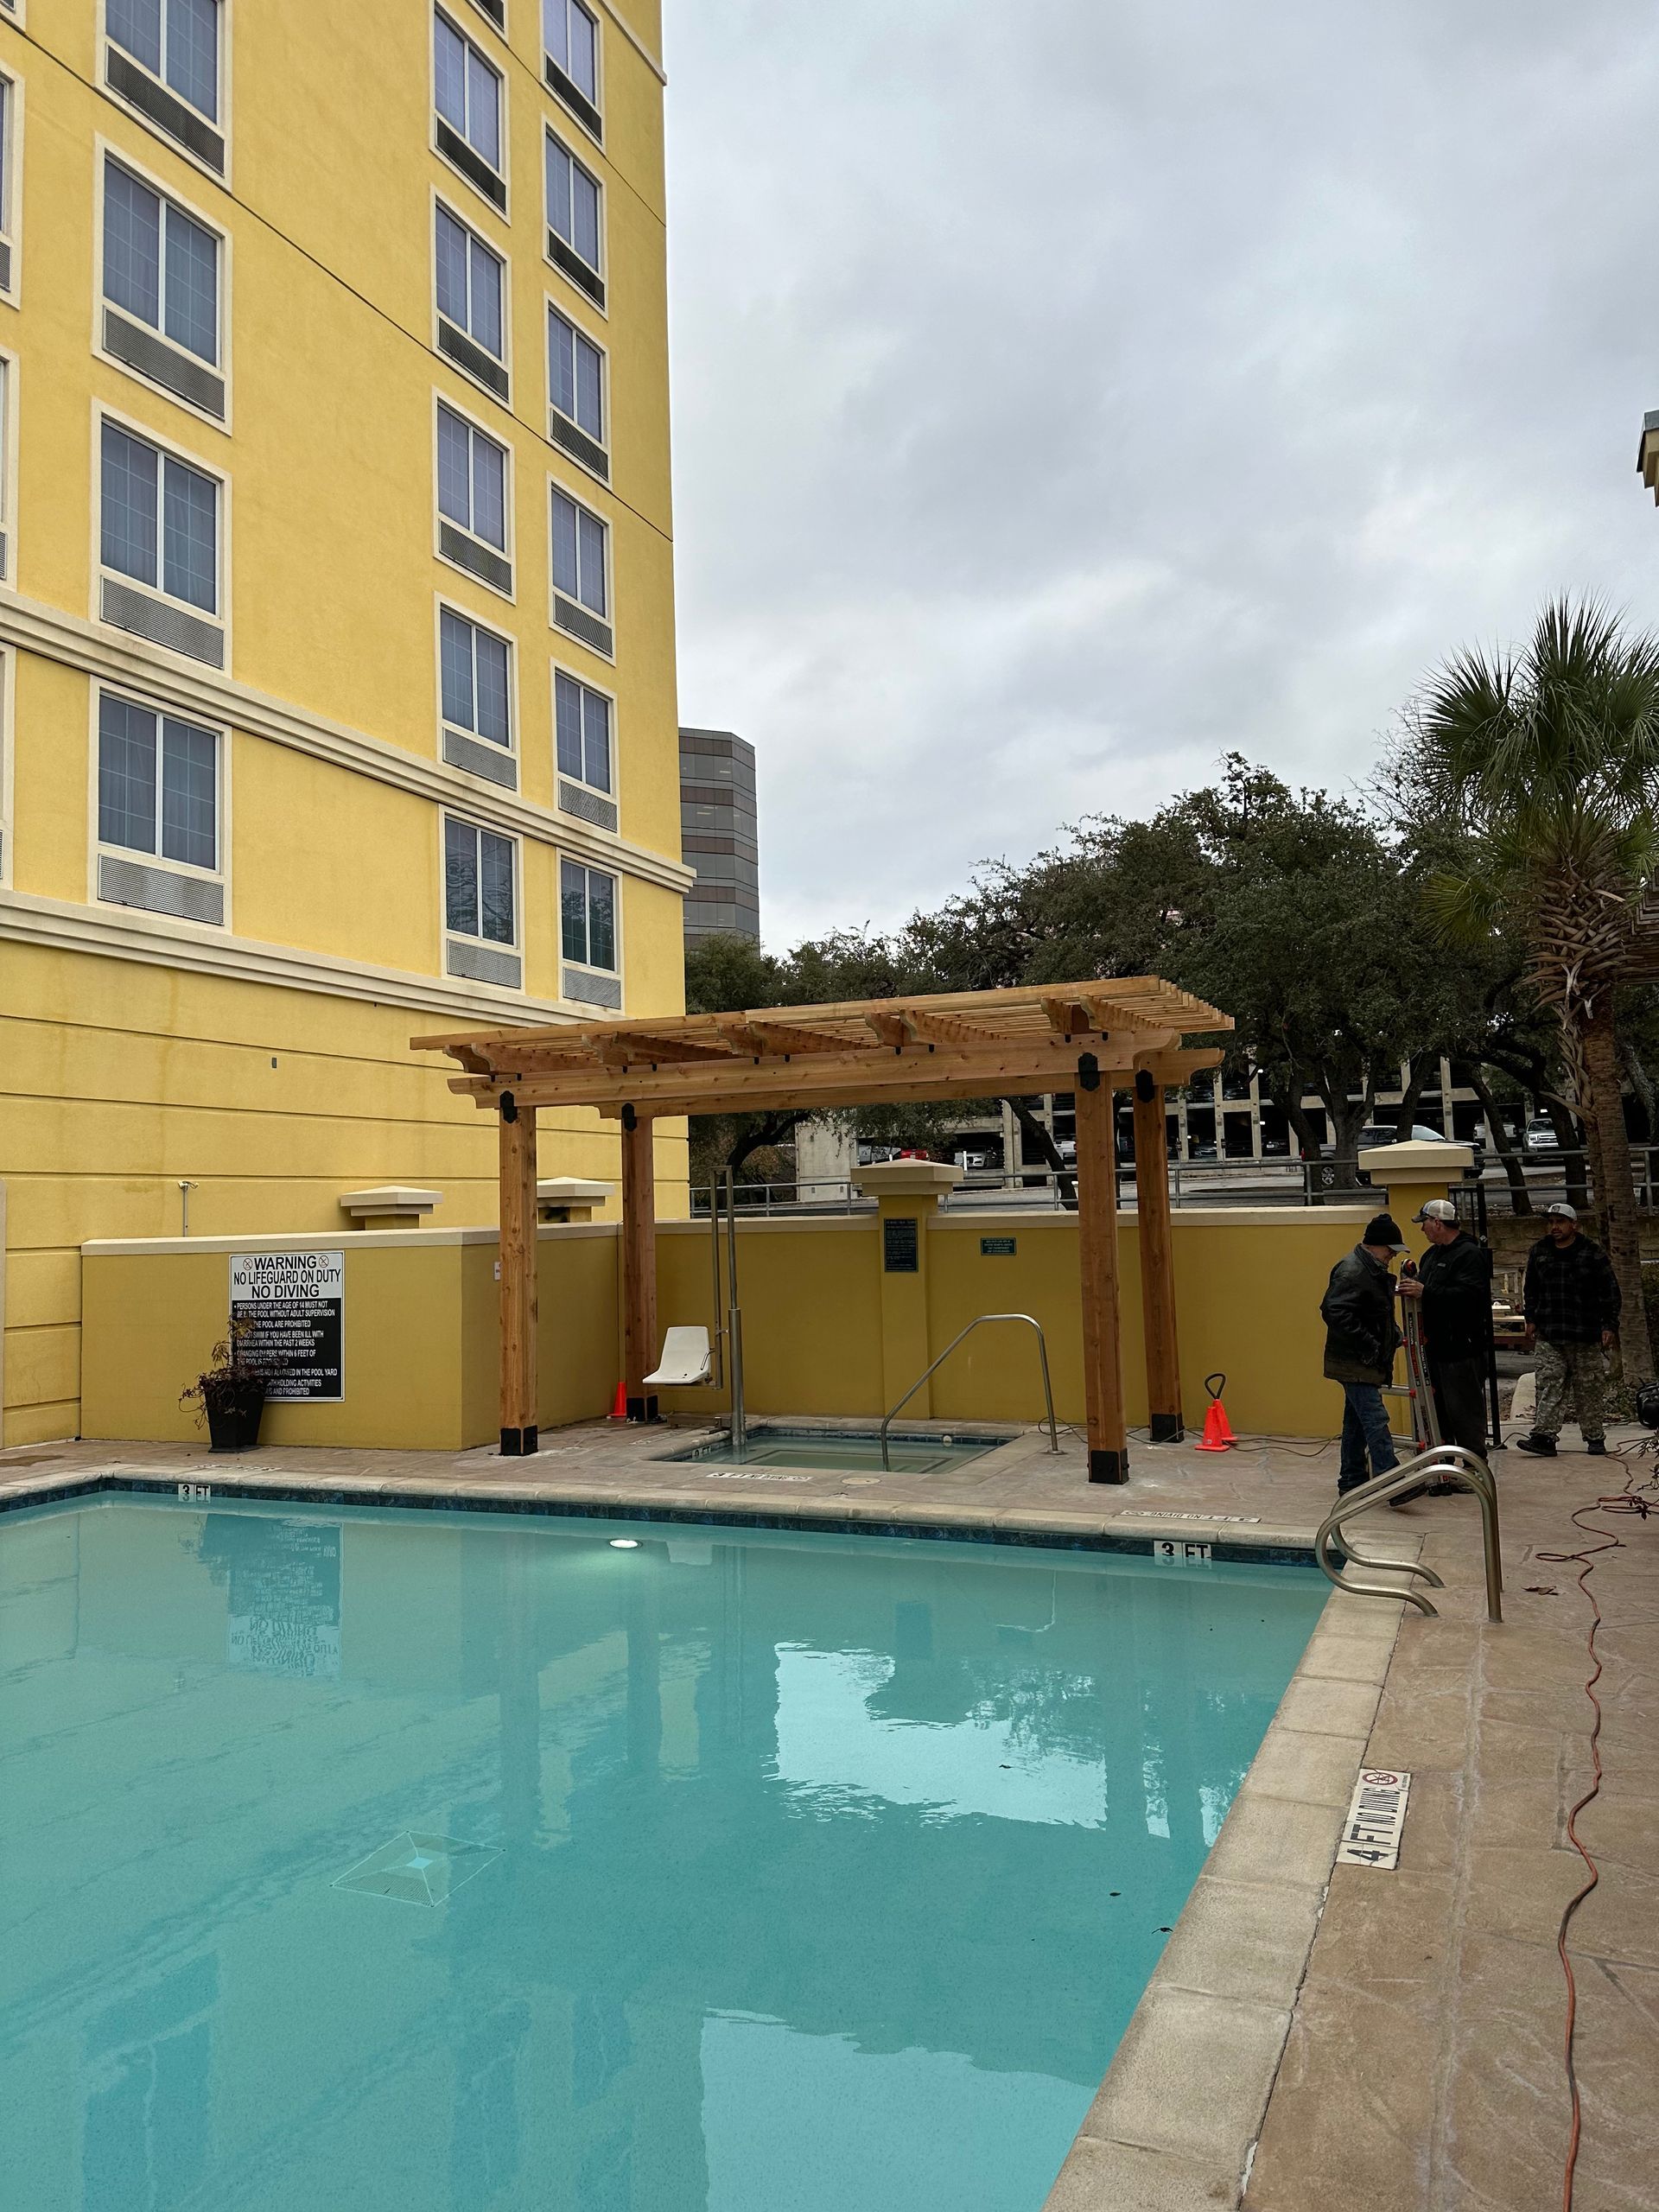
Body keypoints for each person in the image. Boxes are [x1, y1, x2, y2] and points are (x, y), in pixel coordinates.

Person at [1515, 1202, 1621, 1458]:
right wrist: (1531, 1318)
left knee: (1589, 1388)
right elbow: (1532, 1289)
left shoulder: (1592, 1253)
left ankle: (1595, 1437)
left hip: (1585, 1334)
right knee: (1549, 1384)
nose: (1555, 1227)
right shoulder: (1540, 1252)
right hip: (1550, 1332)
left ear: (1574, 1225)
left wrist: (1609, 1325)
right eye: (1551, 1222)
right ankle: (1544, 1436)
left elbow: (1609, 1290)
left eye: (1560, 1222)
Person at [1397, 1198, 1494, 1476]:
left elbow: (1469, 1298)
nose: (1422, 1229)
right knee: (1437, 1410)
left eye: (1425, 1223)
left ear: (1437, 1222)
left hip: (1462, 1349)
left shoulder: (1469, 1255)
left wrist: (1425, 1293)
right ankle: (1442, 1466)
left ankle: (1474, 1467)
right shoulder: (1431, 1255)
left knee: (1464, 1410)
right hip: (1435, 1348)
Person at [1321, 1212, 1406, 1494]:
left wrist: (1391, 1335)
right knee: (1375, 1420)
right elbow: (1334, 1311)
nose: (1392, 1255)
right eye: (1390, 1250)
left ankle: (1352, 1479)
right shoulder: (1353, 1270)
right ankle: (1391, 1482)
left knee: (1356, 1423)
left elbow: (1374, 1312)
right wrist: (1370, 1343)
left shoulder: (1367, 1269)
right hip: (1356, 1360)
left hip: (1359, 1359)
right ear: (1374, 1245)